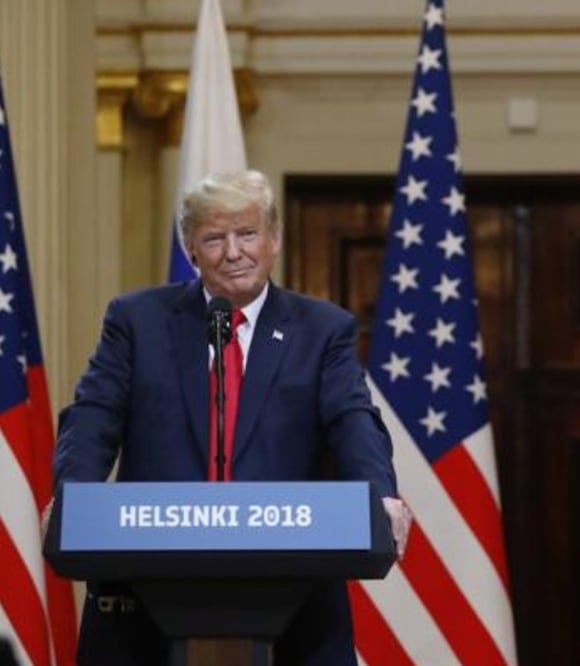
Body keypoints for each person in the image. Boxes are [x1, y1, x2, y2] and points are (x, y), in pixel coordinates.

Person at [51, 169, 411, 666]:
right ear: (190, 247)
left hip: (293, 600)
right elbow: (94, 415)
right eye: (214, 238)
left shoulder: (322, 329)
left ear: (275, 239)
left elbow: (352, 420)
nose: (234, 252)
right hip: (147, 596)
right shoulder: (138, 321)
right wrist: (72, 495)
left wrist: (380, 494)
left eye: (247, 234)